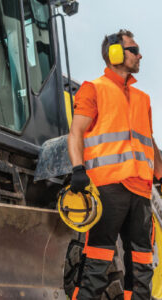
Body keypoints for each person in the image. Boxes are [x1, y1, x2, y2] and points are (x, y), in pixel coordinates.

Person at [68, 29, 162, 299]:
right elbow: (76, 132)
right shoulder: (93, 89)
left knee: (142, 266)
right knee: (96, 263)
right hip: (108, 189)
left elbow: (149, 141)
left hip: (141, 192)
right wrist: (78, 170)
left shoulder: (143, 99)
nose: (140, 54)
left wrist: (161, 175)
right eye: (134, 49)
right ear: (115, 53)